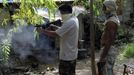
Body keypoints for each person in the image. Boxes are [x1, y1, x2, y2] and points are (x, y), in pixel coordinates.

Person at [37, 4, 79, 75]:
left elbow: (56, 34)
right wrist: (55, 26)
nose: (61, 15)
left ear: (65, 12)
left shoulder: (69, 22)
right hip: (72, 54)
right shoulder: (74, 19)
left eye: (61, 12)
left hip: (67, 56)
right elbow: (65, 31)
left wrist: (42, 31)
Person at [97, 1, 120, 75]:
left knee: (106, 71)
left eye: (104, 8)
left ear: (109, 8)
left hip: (108, 50)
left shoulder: (111, 22)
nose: (103, 10)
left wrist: (103, 57)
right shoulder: (111, 19)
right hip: (108, 49)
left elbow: (109, 40)